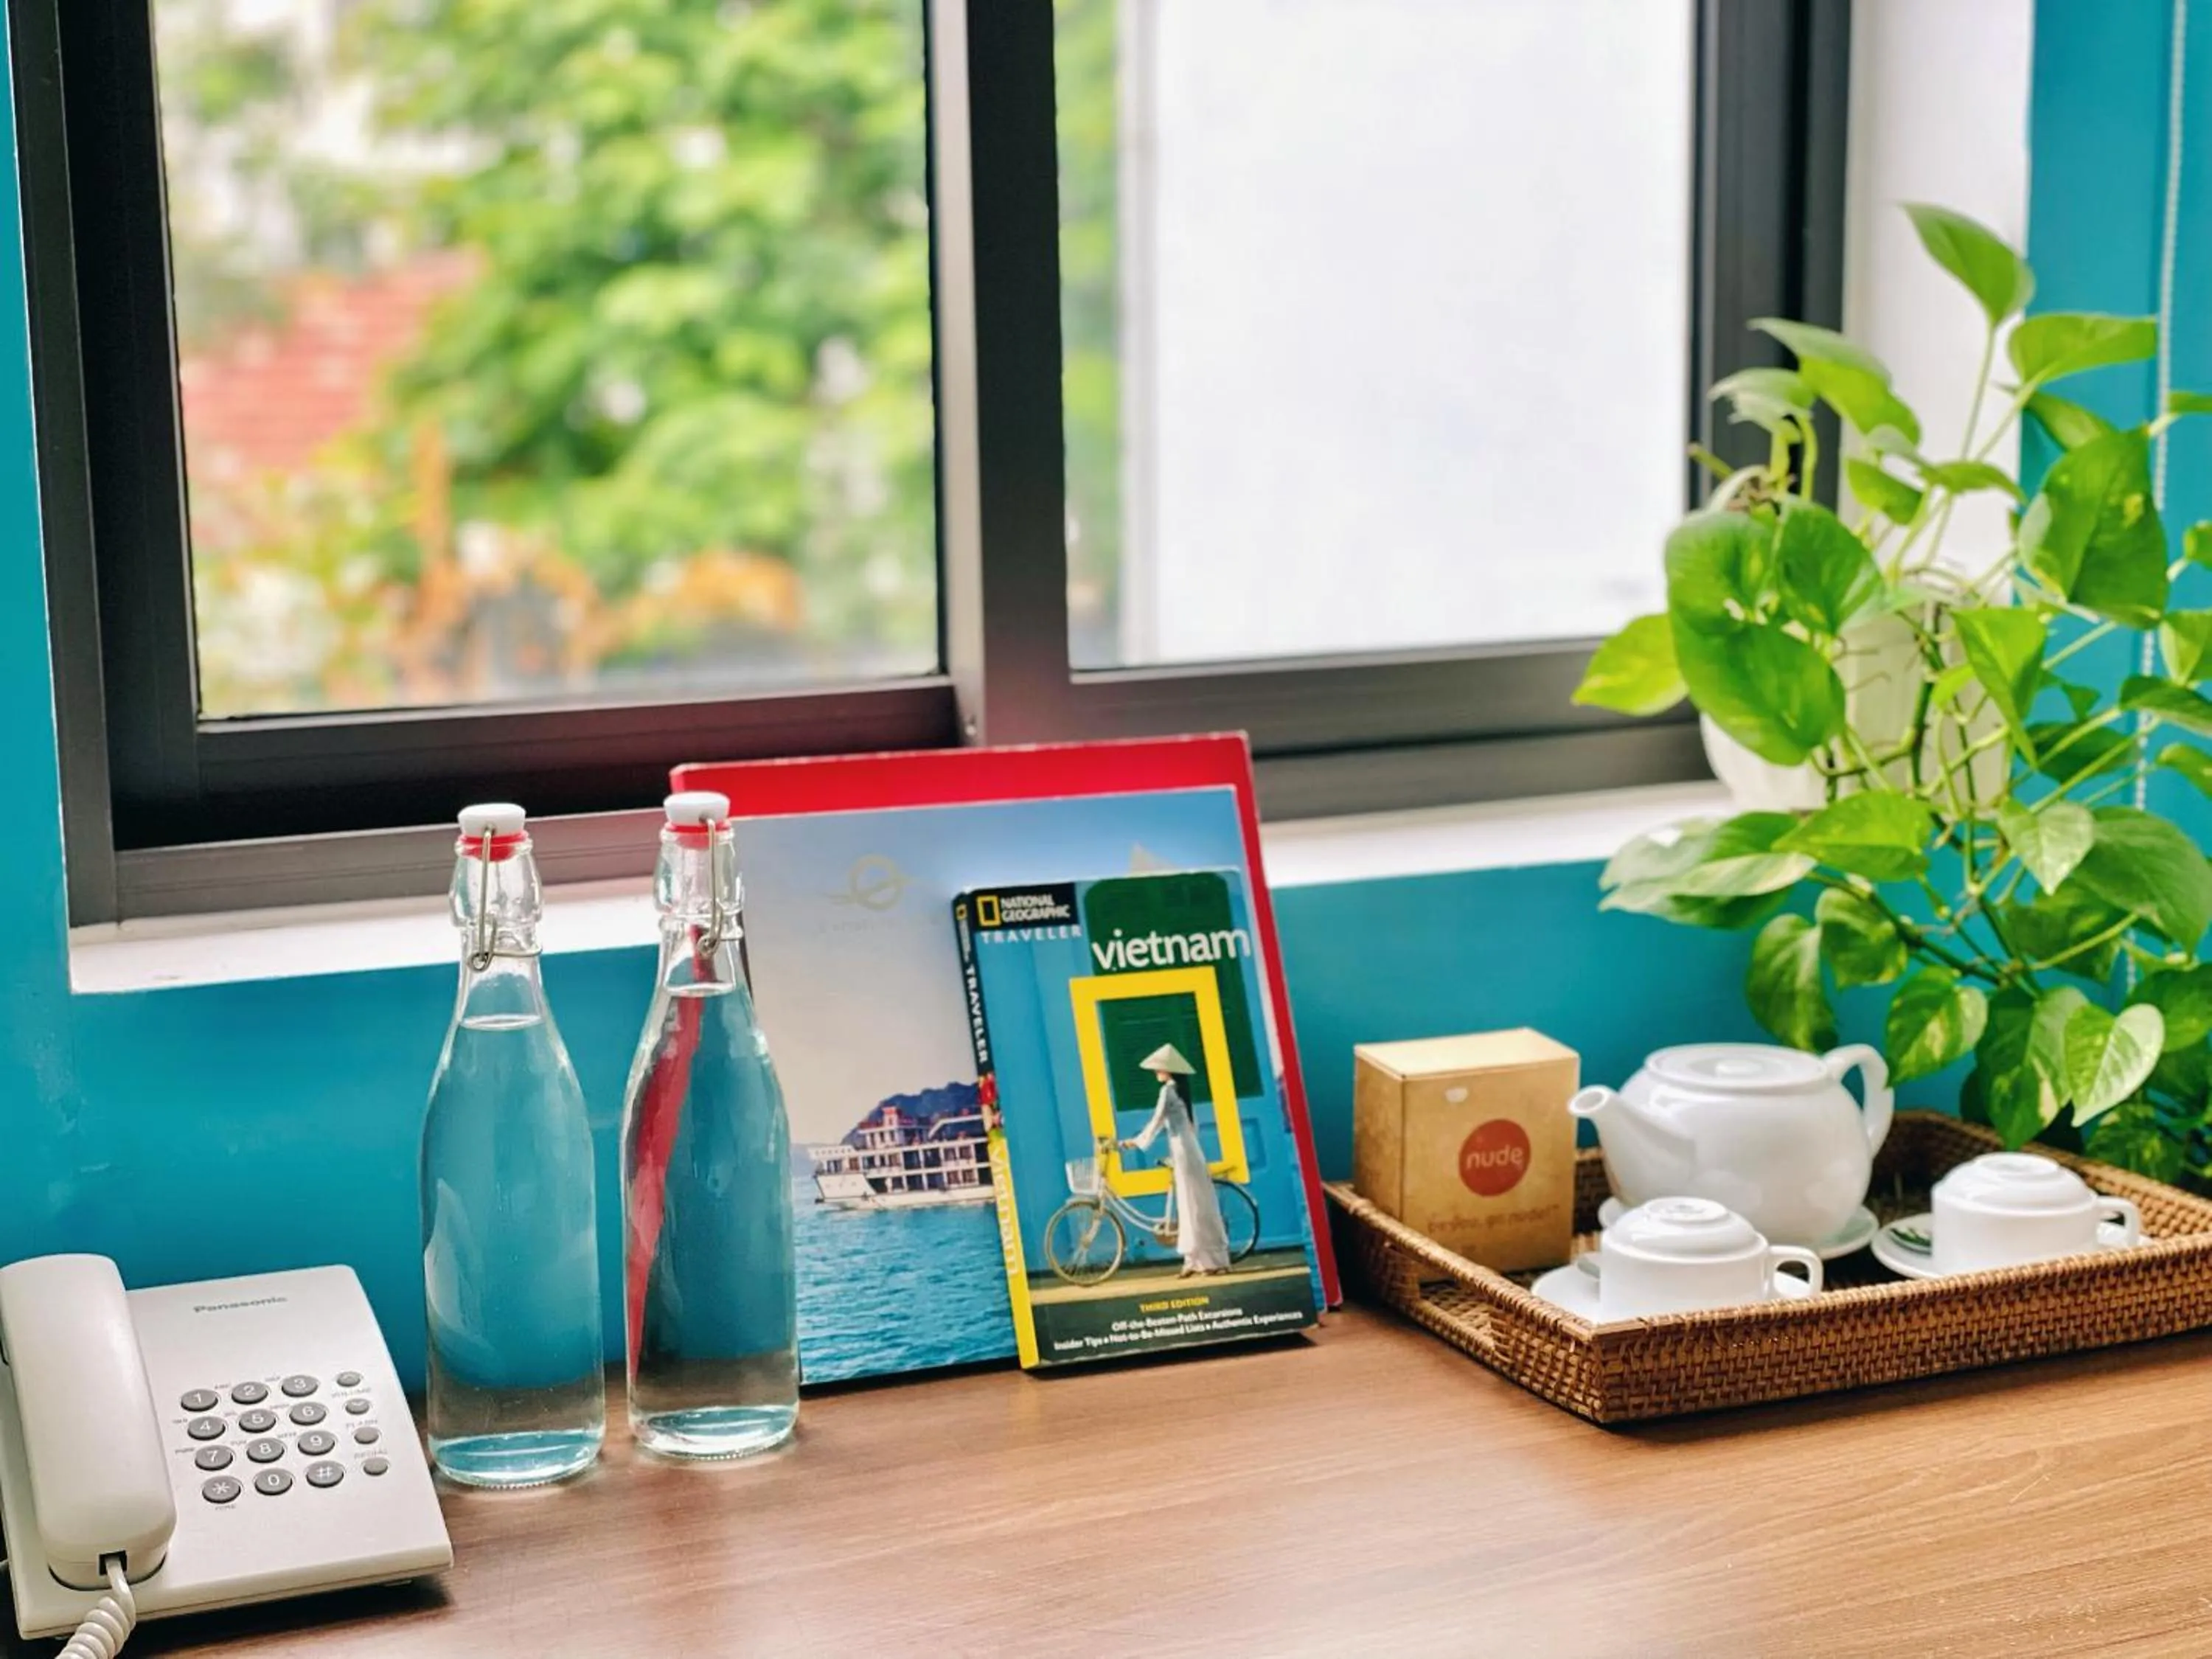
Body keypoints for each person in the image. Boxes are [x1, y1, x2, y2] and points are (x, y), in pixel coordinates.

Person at [1122, 1043, 1231, 1276]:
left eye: (1159, 1068)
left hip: (1182, 1151)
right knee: (1199, 1204)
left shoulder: (1168, 1091)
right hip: (1190, 1150)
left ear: (1169, 1069)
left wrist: (1135, 1142)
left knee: (1190, 1205)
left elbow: (1156, 1121)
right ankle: (1206, 1260)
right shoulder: (1183, 1092)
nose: (1156, 1072)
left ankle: (1199, 1261)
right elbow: (1190, 1126)